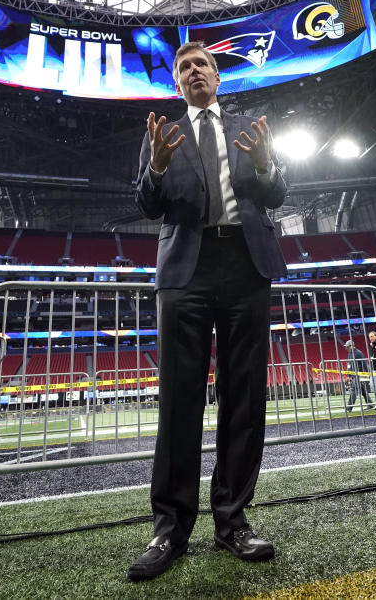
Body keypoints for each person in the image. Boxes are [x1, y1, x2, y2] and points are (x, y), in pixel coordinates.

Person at [128, 41, 287, 582]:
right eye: (184, 67)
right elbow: (147, 204)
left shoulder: (251, 128)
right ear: (177, 83)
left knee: (244, 399)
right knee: (179, 401)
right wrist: (155, 165)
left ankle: (233, 521)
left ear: (218, 77)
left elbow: (279, 194)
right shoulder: (162, 135)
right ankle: (170, 529)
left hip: (246, 265)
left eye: (202, 65)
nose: (194, 71)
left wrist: (266, 166)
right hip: (186, 272)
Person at [343, 339, 373, 412]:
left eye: (347, 347)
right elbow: (349, 365)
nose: (346, 348)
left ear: (352, 346)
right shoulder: (349, 354)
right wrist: (348, 375)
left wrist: (367, 373)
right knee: (363, 390)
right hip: (354, 375)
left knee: (353, 390)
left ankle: (349, 407)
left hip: (359, 375)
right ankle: (370, 404)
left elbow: (364, 363)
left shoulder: (358, 353)